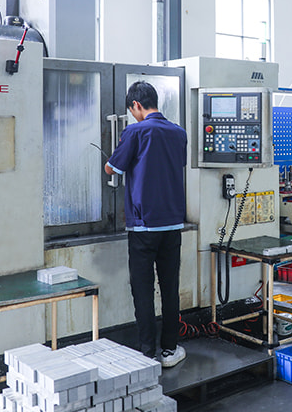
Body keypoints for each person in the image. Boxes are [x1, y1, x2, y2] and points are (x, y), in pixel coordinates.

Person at [105, 81, 188, 368]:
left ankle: (147, 352)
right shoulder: (179, 133)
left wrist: (110, 161)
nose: (133, 115)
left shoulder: (135, 131)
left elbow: (112, 168)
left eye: (132, 111)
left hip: (143, 226)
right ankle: (169, 350)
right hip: (172, 224)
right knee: (170, 287)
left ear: (136, 105)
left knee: (143, 290)